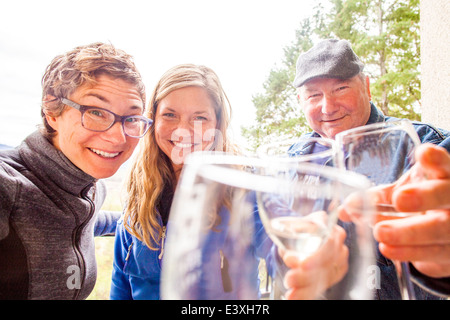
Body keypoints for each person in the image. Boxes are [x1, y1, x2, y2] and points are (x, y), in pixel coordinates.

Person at [109, 64, 348, 300]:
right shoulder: (139, 190)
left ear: (216, 125)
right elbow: (120, 284)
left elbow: (277, 244)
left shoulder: (244, 185)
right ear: (153, 119)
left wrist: (308, 256)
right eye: (170, 115)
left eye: (199, 118)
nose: (183, 130)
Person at [291, 38, 450, 299]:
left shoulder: (425, 144)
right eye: (314, 95)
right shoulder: (294, 159)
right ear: (301, 101)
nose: (327, 107)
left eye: (340, 88)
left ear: (366, 87)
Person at [0, 42, 151, 299]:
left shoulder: (90, 189)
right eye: (95, 112)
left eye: (132, 118)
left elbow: (88, 220)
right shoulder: (8, 186)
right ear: (51, 111)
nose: (118, 138)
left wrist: (155, 219)